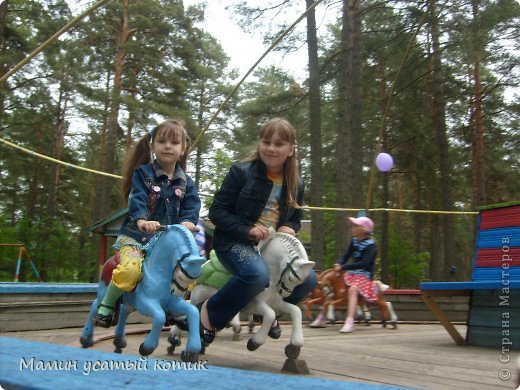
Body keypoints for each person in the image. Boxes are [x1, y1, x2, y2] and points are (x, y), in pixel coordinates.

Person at [199, 117, 317, 344]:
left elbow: (296, 218)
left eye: (279, 144)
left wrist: (289, 227)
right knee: (256, 274)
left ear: (291, 150)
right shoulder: (241, 172)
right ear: (259, 144)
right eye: (266, 142)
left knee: (308, 279)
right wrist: (247, 230)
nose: (271, 148)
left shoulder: (296, 184)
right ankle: (209, 313)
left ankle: (264, 308)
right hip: (234, 242)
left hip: (271, 246)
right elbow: (217, 212)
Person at [95, 119, 201, 327]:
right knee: (131, 271)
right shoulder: (143, 173)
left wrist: (188, 221)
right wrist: (142, 220)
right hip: (137, 237)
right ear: (152, 145)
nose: (168, 146)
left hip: (164, 241)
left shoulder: (186, 182)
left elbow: (192, 205)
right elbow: (137, 198)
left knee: (187, 270)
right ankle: (108, 303)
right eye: (162, 141)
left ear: (183, 147)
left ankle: (174, 305)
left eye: (174, 142)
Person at [334, 216, 377, 333]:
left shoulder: (371, 246)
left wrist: (344, 267)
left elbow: (364, 263)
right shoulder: (354, 241)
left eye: (355, 226)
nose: (352, 228)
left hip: (364, 275)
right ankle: (322, 316)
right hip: (352, 272)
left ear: (364, 229)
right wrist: (339, 264)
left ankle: (349, 321)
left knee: (353, 289)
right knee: (335, 282)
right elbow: (346, 256)